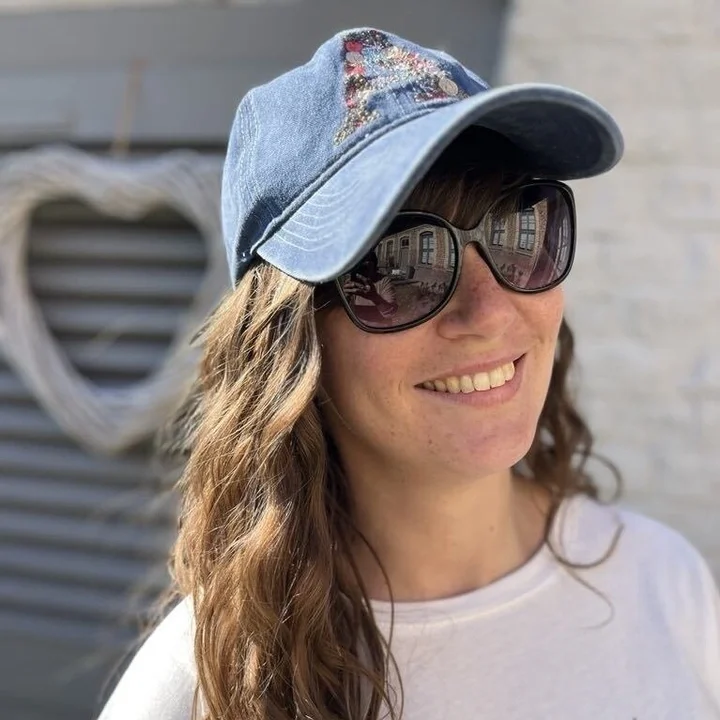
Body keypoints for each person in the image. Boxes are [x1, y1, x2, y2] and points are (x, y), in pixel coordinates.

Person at [97, 27, 720, 720]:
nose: (488, 313)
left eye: (519, 230)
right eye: (400, 266)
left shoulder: (666, 585)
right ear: (288, 342)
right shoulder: (208, 685)